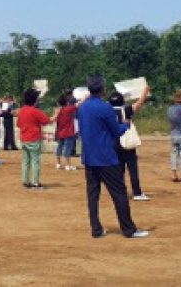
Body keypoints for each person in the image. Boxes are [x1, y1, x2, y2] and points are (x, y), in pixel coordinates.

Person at [77, 76, 149, 239]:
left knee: (93, 194)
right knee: (119, 193)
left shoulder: (82, 108)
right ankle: (128, 229)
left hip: (89, 156)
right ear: (102, 90)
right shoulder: (105, 107)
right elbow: (116, 131)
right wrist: (125, 124)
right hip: (106, 156)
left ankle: (96, 228)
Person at [109, 85, 151, 201]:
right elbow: (139, 103)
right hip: (127, 143)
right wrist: (145, 91)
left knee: (119, 170)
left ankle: (120, 192)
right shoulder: (126, 110)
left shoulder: (107, 111)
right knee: (132, 169)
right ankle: (137, 192)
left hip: (114, 144)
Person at [17, 89, 51, 190]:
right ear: (35, 100)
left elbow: (18, 124)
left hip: (24, 138)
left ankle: (26, 181)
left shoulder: (22, 110)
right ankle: (35, 183)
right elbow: (46, 121)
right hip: (34, 138)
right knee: (35, 161)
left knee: (26, 161)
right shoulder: (35, 111)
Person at [51, 94, 82, 171]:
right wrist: (86, 97)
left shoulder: (57, 110)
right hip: (68, 131)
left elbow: (54, 119)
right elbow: (78, 104)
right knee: (68, 148)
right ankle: (68, 165)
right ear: (67, 102)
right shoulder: (68, 109)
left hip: (60, 131)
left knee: (59, 147)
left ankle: (58, 163)